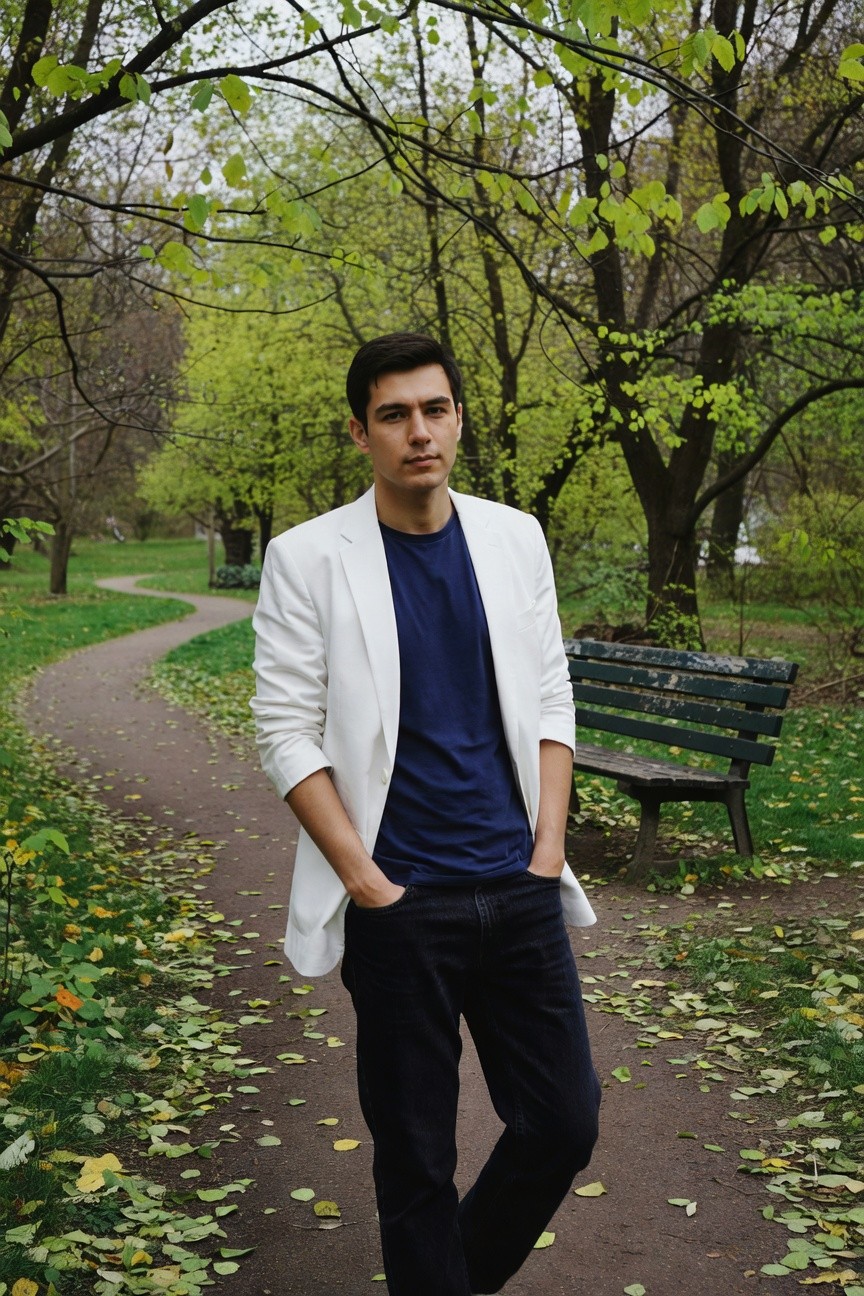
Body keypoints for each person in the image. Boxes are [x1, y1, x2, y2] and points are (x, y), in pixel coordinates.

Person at [251, 333, 601, 1296]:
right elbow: (286, 733)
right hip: (400, 904)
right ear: (360, 432)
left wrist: (547, 850)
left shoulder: (514, 537)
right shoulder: (307, 558)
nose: (419, 432)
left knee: (563, 1124)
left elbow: (553, 699)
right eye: (395, 414)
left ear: (457, 419)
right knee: (416, 1160)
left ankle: (448, 1275)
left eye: (435, 409)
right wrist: (367, 883)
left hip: (518, 889)